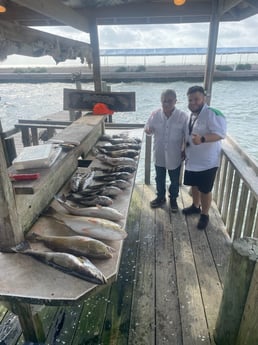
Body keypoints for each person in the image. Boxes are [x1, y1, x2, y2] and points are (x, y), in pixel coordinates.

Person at [182, 85, 227, 229]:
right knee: (194, 186)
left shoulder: (213, 113)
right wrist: (184, 149)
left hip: (207, 163)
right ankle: (195, 206)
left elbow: (220, 134)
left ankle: (205, 214)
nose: (193, 102)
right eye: (190, 100)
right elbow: (189, 134)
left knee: (205, 190)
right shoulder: (190, 114)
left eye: (196, 99)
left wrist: (202, 139)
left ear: (204, 98)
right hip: (192, 160)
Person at [145, 89, 188, 212]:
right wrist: (148, 130)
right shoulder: (155, 114)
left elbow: (187, 134)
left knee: (174, 180)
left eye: (170, 101)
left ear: (175, 101)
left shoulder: (183, 116)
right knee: (159, 178)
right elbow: (148, 129)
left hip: (175, 154)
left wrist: (184, 149)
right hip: (159, 153)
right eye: (164, 101)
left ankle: (173, 199)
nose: (167, 104)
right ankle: (160, 197)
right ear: (161, 101)